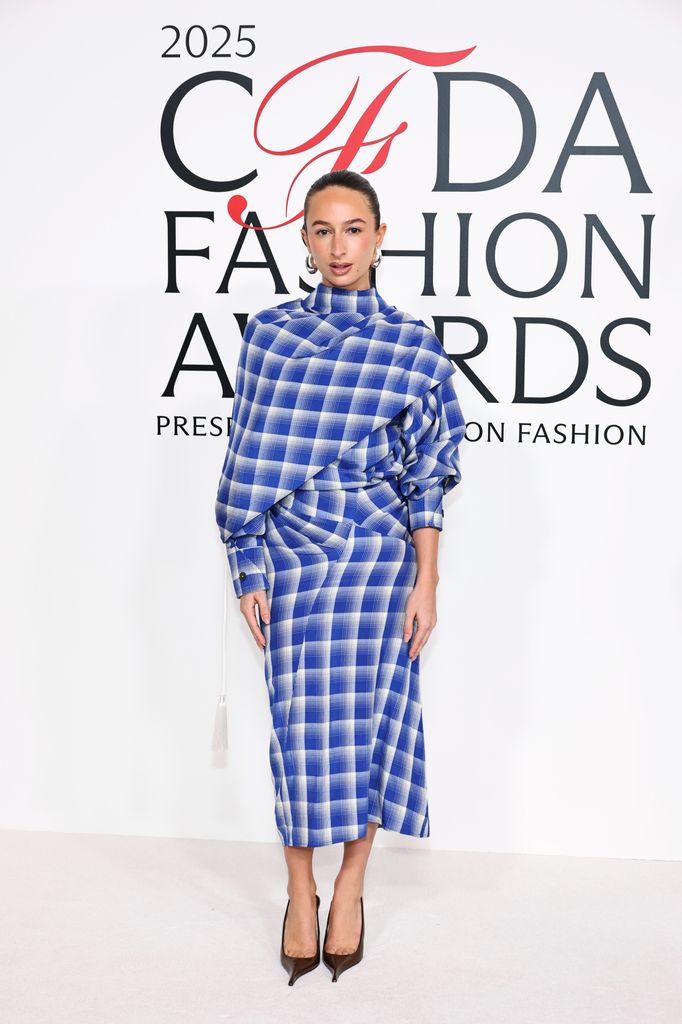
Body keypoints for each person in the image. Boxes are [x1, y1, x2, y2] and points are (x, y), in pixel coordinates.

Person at [215, 169, 466, 983]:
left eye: (354, 229)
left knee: (373, 728)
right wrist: (247, 564)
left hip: (377, 560)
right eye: (322, 231)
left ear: (380, 237)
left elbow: (427, 474)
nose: (338, 246)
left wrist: (426, 582)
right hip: (290, 556)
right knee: (299, 731)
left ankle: (351, 886)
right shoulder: (270, 337)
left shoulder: (412, 347)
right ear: (307, 241)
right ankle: (299, 891)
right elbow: (245, 460)